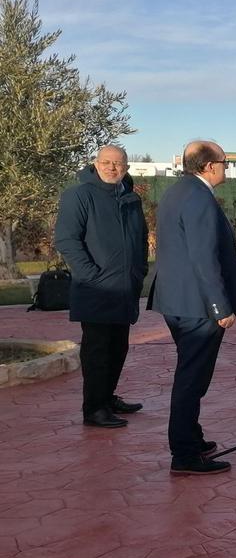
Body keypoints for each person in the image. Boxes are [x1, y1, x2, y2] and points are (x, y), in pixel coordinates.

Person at [148, 141, 236, 475]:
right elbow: (203, 257)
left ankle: (192, 437)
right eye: (224, 162)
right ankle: (185, 454)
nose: (226, 168)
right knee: (192, 378)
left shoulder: (178, 192)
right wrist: (220, 306)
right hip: (198, 305)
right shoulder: (199, 197)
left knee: (191, 373)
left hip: (177, 299)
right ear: (209, 166)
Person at [53, 145, 149, 429]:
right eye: (106, 162)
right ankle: (94, 409)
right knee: (97, 351)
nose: (112, 168)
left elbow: (141, 239)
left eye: (118, 163)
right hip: (96, 290)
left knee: (118, 348)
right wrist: (91, 275)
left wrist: (140, 270)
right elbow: (67, 241)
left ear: (126, 167)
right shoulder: (78, 196)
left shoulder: (131, 199)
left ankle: (107, 398)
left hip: (125, 289)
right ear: (95, 164)